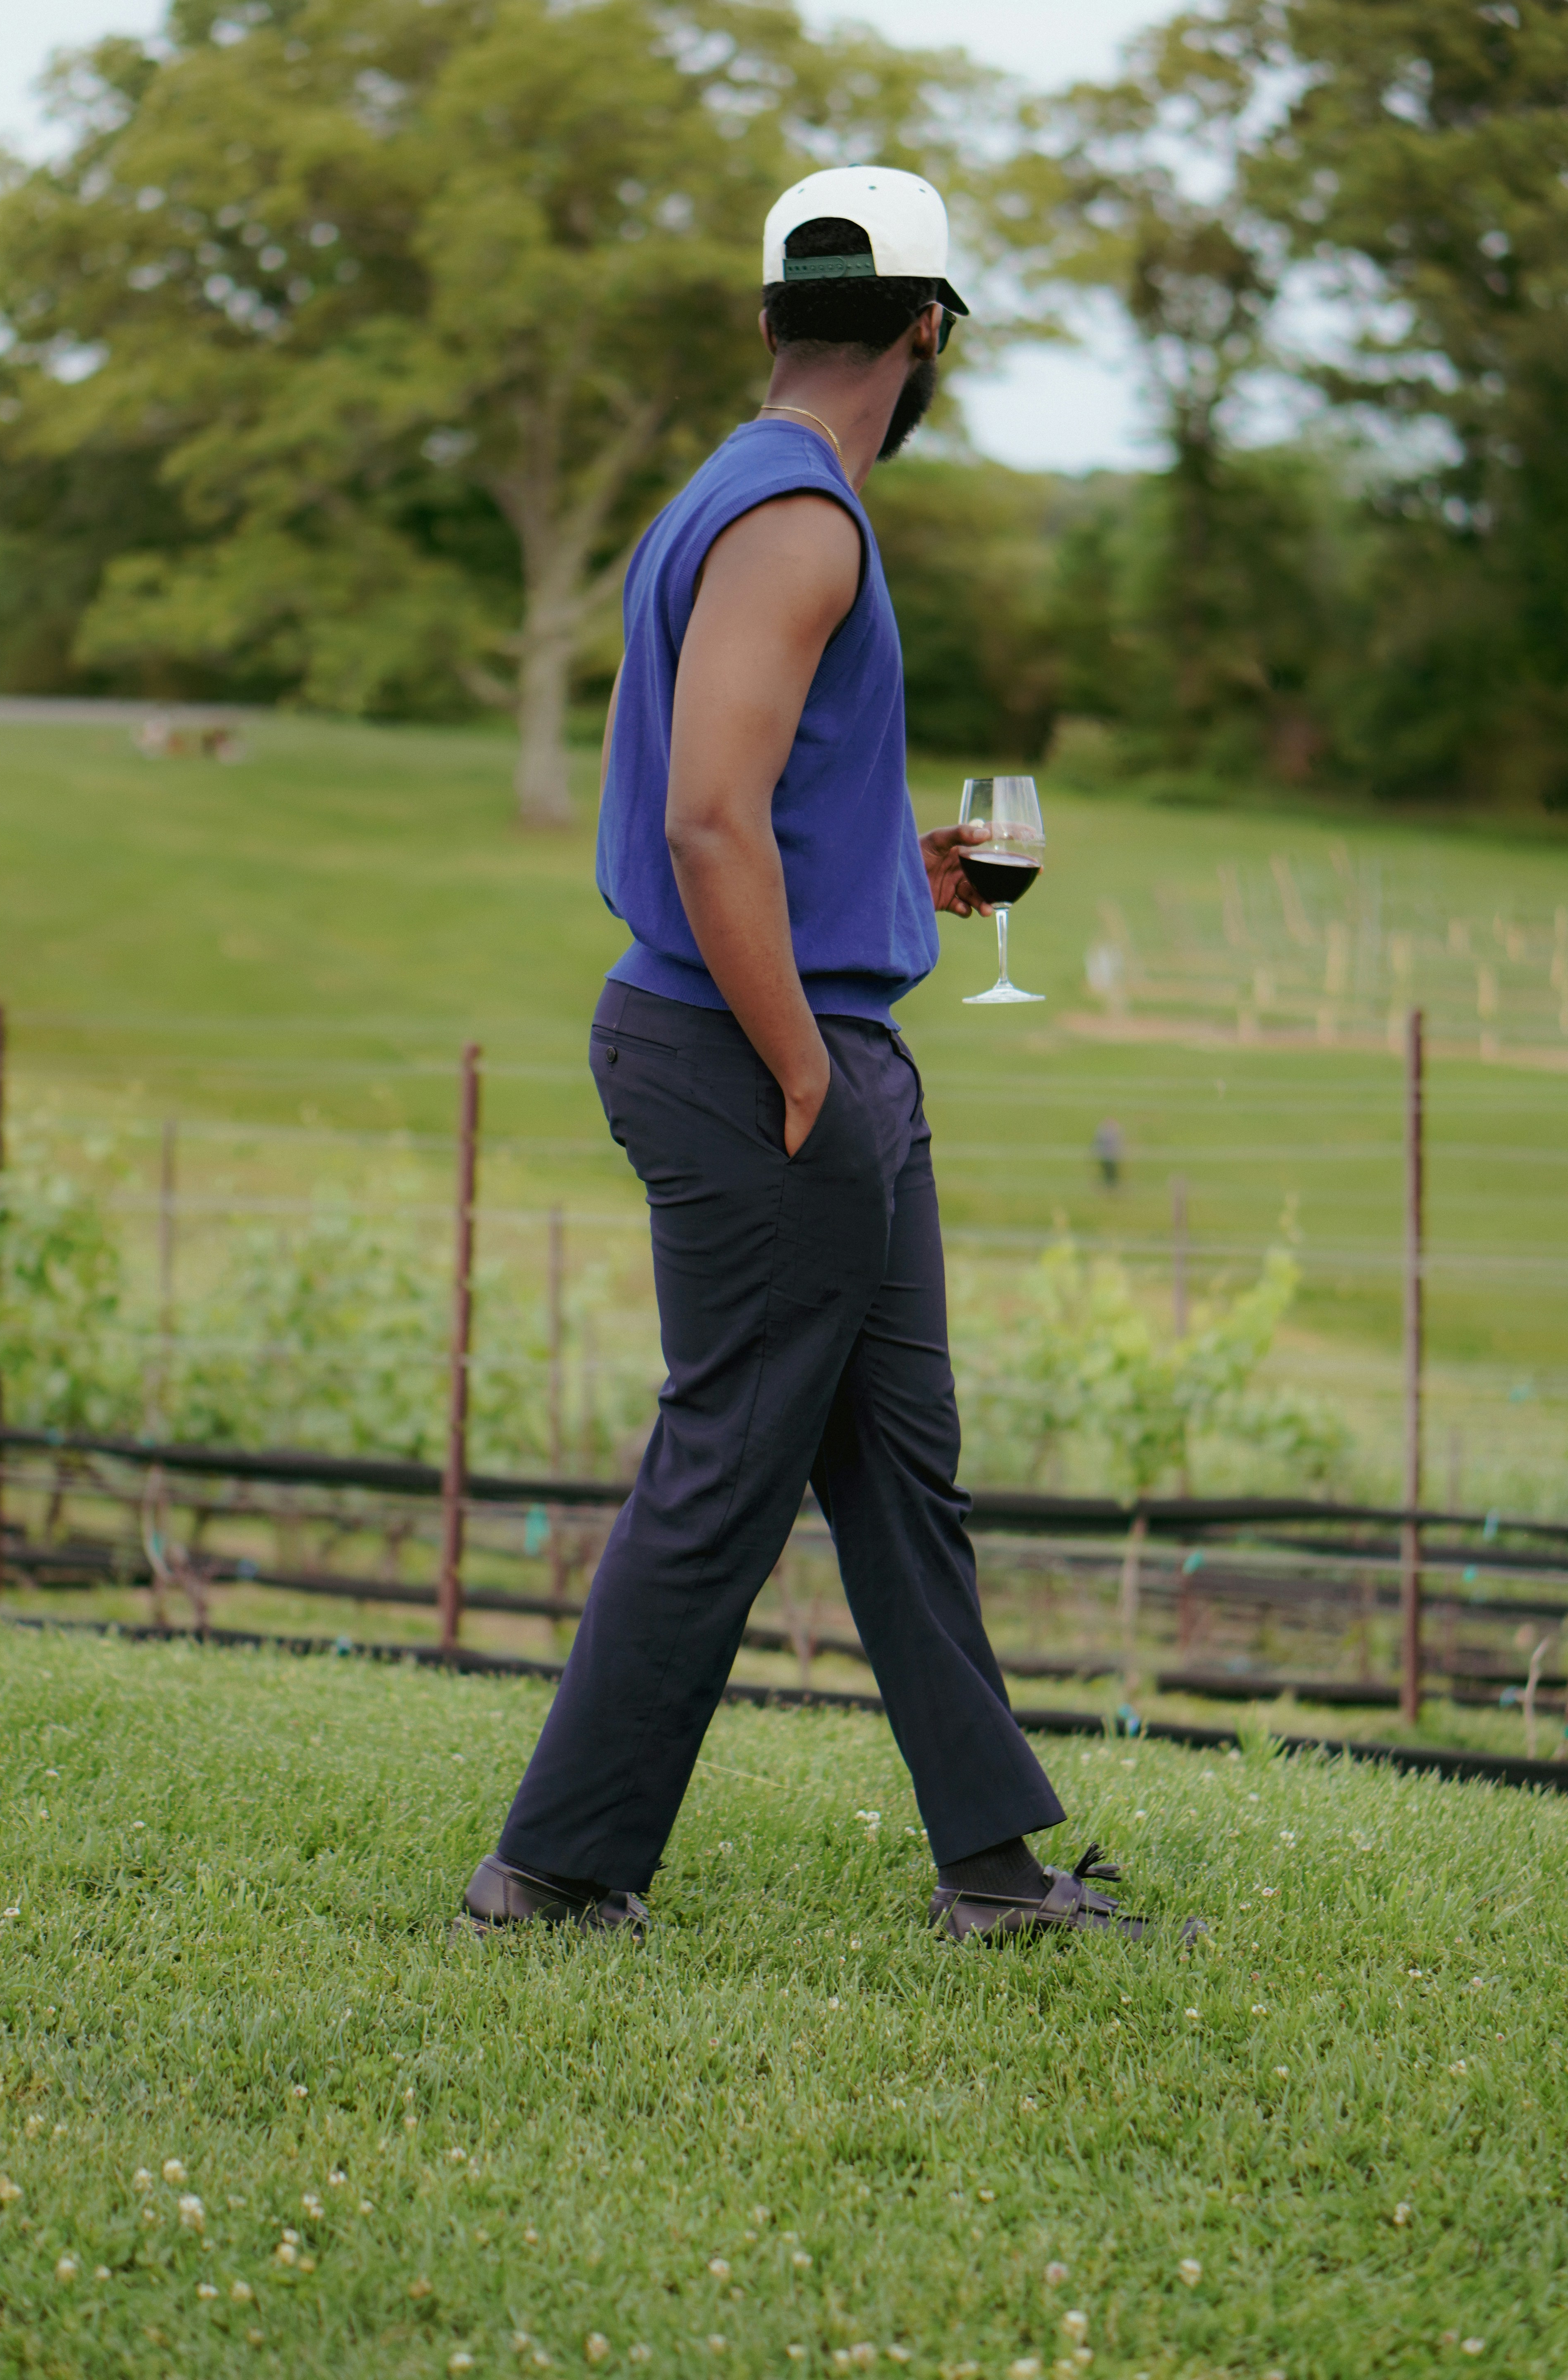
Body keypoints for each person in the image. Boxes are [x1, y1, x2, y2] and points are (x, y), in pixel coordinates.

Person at [458, 165, 1155, 1948]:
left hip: (799, 1033)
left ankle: (992, 1868)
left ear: (771, 318)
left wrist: (877, 877)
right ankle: (550, 1873)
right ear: (928, 333)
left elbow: (747, 799)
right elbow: (704, 825)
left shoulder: (735, 495)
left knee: (897, 1467)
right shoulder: (800, 517)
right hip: (753, 1056)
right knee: (730, 1458)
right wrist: (797, 1070)